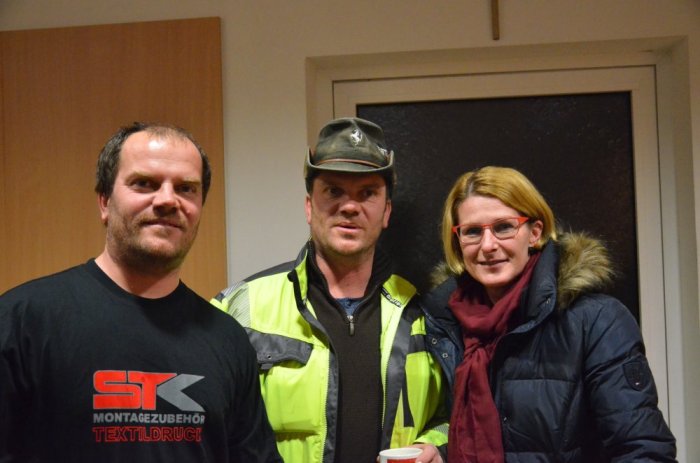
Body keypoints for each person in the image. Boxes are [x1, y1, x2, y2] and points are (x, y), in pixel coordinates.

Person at [0, 122, 282, 462]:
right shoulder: (22, 321)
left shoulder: (227, 340)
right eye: (144, 183)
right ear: (104, 202)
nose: (167, 200)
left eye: (186, 188)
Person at [212, 117, 449, 463]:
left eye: (367, 193)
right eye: (334, 191)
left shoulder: (426, 312)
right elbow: (207, 425)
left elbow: (454, 414)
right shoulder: (239, 307)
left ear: (386, 212)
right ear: (309, 206)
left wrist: (438, 447)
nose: (349, 206)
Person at [421, 165, 676, 462]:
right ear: (458, 241)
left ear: (535, 233)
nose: (488, 245)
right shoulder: (445, 325)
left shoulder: (596, 321)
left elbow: (644, 450)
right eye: (473, 232)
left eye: (504, 227)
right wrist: (440, 453)